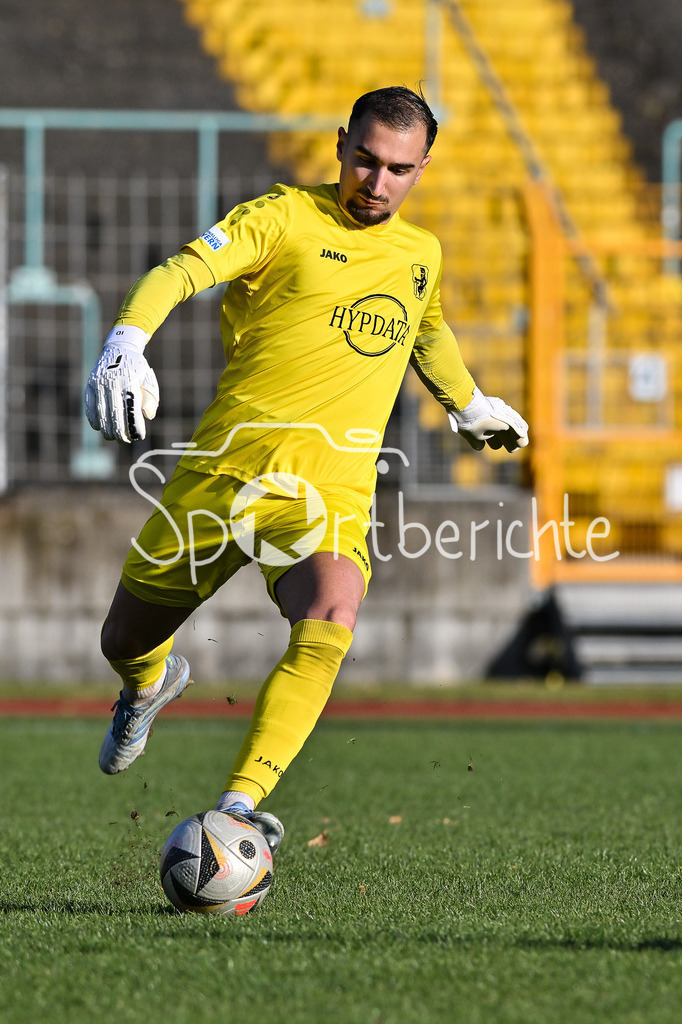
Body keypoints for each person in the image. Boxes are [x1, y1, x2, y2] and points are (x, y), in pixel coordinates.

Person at [85, 86, 528, 855]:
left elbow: (427, 330)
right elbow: (181, 271)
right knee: (122, 640)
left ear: (422, 168)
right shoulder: (282, 217)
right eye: (365, 159)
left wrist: (469, 403)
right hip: (222, 479)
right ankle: (149, 686)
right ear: (340, 145)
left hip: (326, 496)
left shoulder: (421, 255)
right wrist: (127, 339)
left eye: (398, 168)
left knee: (330, 615)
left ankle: (239, 806)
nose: (377, 182)